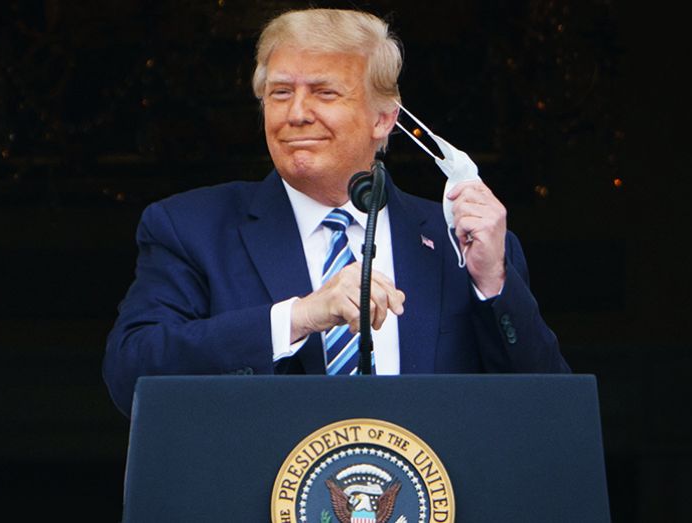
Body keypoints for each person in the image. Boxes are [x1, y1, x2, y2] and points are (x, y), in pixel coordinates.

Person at [103, 8, 570, 417]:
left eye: (325, 93)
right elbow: (133, 375)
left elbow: (549, 414)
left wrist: (494, 285)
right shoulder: (191, 227)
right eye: (281, 93)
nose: (297, 113)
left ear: (383, 119)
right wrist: (300, 317)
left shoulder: (460, 241)